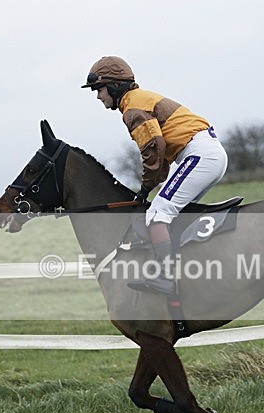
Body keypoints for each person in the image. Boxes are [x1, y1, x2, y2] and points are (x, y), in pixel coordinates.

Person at [82, 56, 228, 295]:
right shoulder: (139, 100)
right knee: (171, 212)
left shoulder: (132, 108)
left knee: (158, 214)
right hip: (204, 154)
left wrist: (145, 187)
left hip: (198, 155)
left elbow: (153, 147)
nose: (98, 96)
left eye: (99, 89)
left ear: (115, 85)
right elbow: (160, 154)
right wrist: (151, 183)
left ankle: (166, 278)